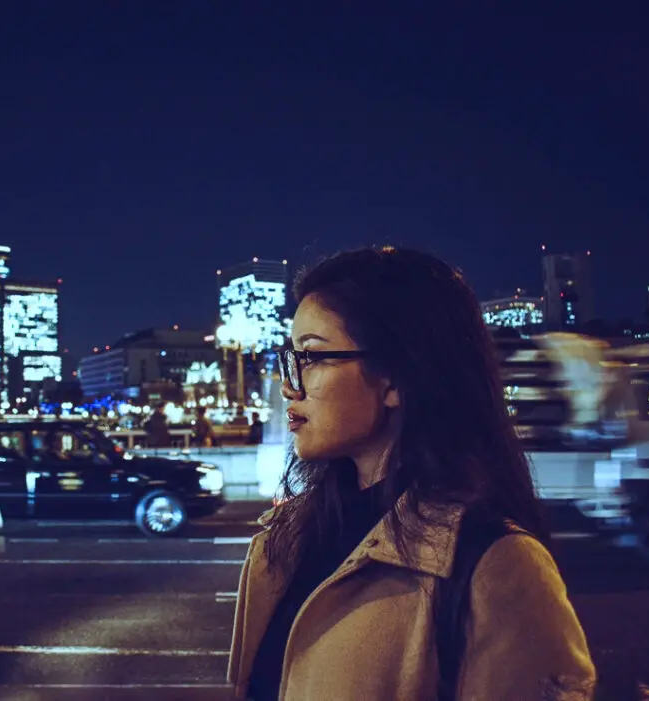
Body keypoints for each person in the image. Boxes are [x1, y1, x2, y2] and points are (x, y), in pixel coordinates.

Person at [228, 247, 595, 700]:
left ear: (397, 379)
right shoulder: (286, 540)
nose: (288, 384)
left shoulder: (496, 565)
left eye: (313, 357)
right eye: (292, 357)